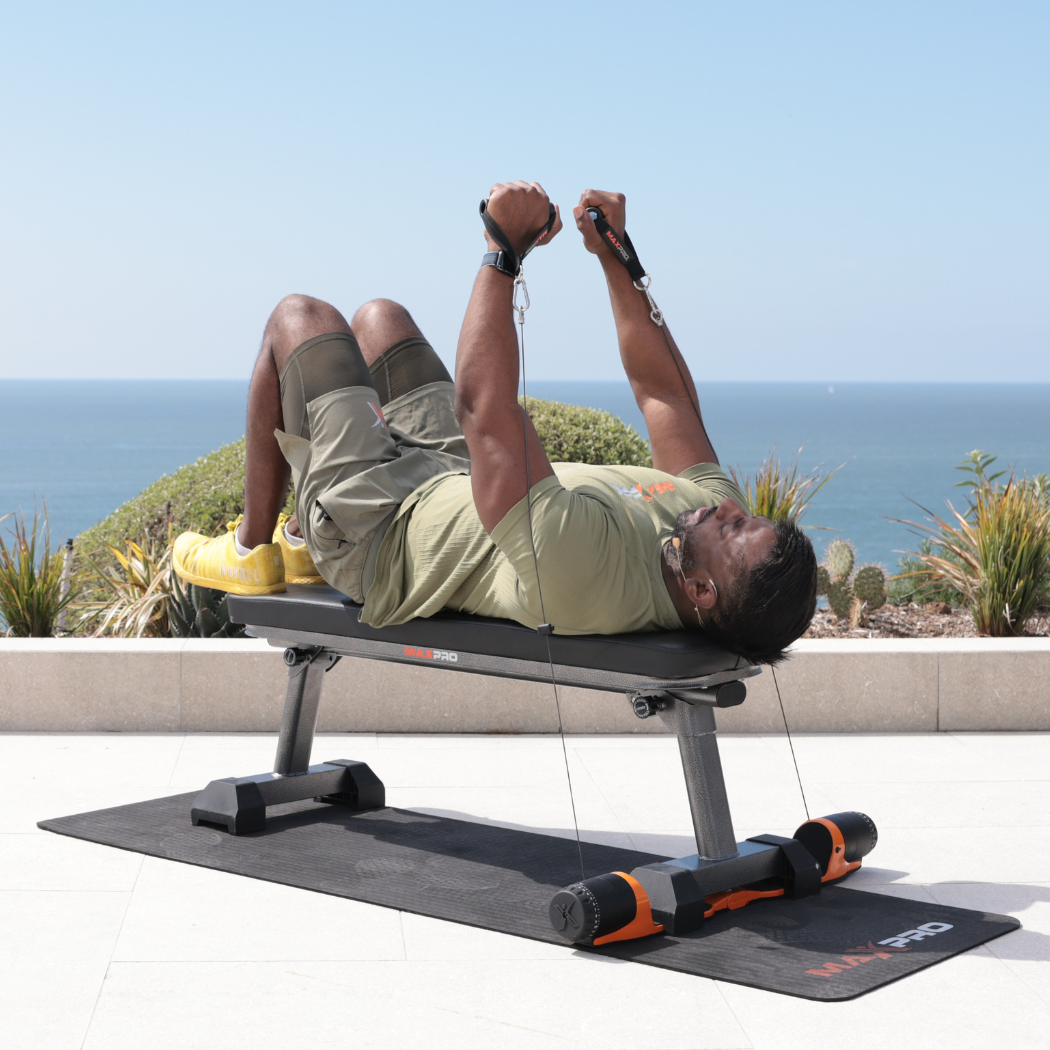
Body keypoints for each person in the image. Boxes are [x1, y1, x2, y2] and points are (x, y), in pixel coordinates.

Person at [174, 183, 817, 664]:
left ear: (701, 590)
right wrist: (618, 257)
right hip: (449, 478)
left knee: (298, 317)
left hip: (379, 529)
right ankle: (291, 532)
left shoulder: (587, 573)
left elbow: (486, 410)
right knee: (379, 319)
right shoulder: (704, 530)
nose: (727, 508)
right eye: (745, 516)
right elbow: (664, 395)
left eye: (734, 527)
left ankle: (253, 548)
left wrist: (501, 252)